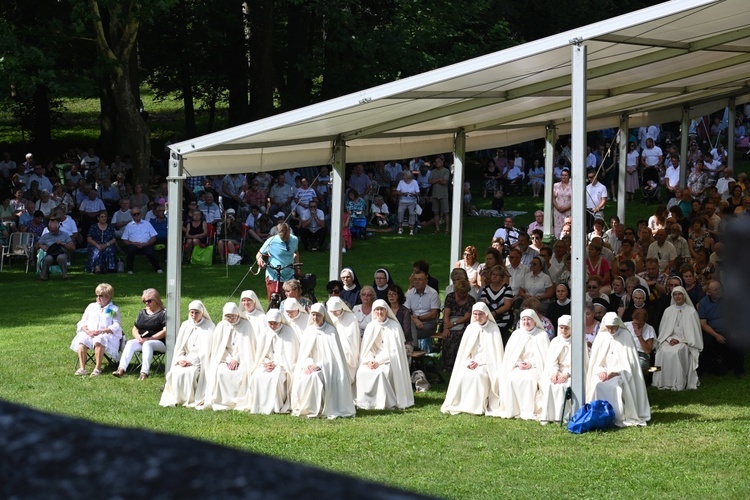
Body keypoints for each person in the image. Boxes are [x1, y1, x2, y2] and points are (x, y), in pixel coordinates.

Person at [291, 303, 356, 418]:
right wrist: (309, 364)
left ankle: (316, 409)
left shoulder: (331, 331)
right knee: (303, 376)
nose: (315, 318)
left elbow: (334, 357)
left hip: (328, 367)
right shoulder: (309, 331)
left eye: (318, 315)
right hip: (310, 366)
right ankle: (307, 408)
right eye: (313, 315)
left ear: (323, 316)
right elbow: (304, 354)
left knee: (315, 377)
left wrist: (319, 365)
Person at [586, 312, 651, 427]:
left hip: (621, 373)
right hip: (603, 372)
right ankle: (598, 414)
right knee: (597, 384)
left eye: (613, 327)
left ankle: (617, 415)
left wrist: (617, 372)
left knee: (615, 386)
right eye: (608, 327)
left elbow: (631, 361)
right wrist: (601, 370)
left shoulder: (626, 336)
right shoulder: (601, 336)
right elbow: (596, 360)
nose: (611, 330)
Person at [441, 303, 505, 416]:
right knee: (464, 373)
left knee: (479, 375)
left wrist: (479, 362)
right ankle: (464, 404)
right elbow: (465, 351)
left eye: (480, 314)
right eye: (475, 314)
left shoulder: (494, 329)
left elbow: (494, 354)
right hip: (471, 361)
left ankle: (478, 405)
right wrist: (470, 361)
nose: (477, 317)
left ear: (486, 314)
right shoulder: (471, 328)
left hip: (487, 364)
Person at [355, 300, 414, 410]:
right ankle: (365, 402)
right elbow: (368, 348)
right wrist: (369, 360)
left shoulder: (395, 326)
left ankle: (384, 402)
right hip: (373, 358)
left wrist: (379, 361)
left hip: (389, 359)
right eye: (377, 309)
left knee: (382, 373)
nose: (379, 312)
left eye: (382, 309)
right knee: (362, 372)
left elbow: (394, 351)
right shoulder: (371, 326)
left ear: (387, 311)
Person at [159, 300, 215, 408]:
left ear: (202, 312)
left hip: (199, 361)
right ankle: (177, 398)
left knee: (190, 373)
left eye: (196, 313)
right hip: (185, 359)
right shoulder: (185, 325)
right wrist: (180, 359)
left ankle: (190, 399)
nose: (194, 315)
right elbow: (180, 348)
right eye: (192, 312)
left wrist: (192, 361)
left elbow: (207, 350)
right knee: (175, 372)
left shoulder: (209, 326)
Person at [246, 309, 300, 414]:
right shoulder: (265, 332)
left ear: (280, 322)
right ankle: (260, 406)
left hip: (283, 366)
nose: (272, 326)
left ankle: (276, 405)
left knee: (276, 376)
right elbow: (261, 353)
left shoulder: (289, 332)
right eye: (270, 323)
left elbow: (291, 356)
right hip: (267, 364)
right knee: (257, 375)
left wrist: (276, 364)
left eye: (275, 323)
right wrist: (266, 362)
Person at [499, 309, 550, 420]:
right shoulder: (516, 334)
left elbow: (544, 358)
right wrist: (518, 363)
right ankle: (513, 409)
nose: (526, 322)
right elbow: (510, 356)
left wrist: (530, 364)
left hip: (535, 368)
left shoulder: (542, 335)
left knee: (529, 381)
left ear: (535, 320)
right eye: (524, 319)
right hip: (518, 367)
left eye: (529, 319)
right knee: (512, 379)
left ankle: (527, 410)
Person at [205, 303, 257, 410]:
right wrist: (229, 359)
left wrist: (236, 359)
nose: (230, 319)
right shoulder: (222, 325)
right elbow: (219, 347)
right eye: (228, 316)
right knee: (220, 371)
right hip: (225, 359)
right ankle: (223, 401)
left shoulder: (246, 325)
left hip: (242, 359)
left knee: (243, 373)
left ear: (238, 314)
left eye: (233, 316)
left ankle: (239, 401)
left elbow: (246, 346)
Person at [653, 286, 703, 391]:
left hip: (685, 342)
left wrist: (680, 341)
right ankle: (661, 381)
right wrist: (670, 339)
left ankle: (678, 383)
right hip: (669, 340)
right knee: (661, 351)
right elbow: (663, 331)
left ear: (684, 296)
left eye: (679, 294)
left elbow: (693, 334)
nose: (677, 296)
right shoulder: (668, 311)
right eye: (675, 294)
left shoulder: (691, 312)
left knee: (676, 352)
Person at [111, 289, 167, 380]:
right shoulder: (142, 312)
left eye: (149, 301)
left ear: (156, 300)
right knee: (130, 343)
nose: (147, 303)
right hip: (143, 340)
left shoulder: (164, 313)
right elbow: (135, 329)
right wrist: (138, 337)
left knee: (147, 344)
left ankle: (144, 373)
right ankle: (121, 369)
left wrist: (150, 338)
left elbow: (165, 331)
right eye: (144, 301)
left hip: (160, 342)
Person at [539, 315, 584, 424]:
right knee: (551, 384)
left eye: (567, 328)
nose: (564, 331)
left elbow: (579, 363)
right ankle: (550, 415)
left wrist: (567, 374)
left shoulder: (578, 341)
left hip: (572, 373)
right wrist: (554, 373)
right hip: (558, 372)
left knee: (563, 387)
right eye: (561, 328)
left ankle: (562, 416)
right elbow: (552, 361)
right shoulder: (555, 341)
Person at [70, 284, 123, 377]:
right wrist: (87, 331)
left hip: (106, 334)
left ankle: (97, 368)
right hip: (90, 332)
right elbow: (83, 321)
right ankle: (82, 368)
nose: (98, 298)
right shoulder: (92, 307)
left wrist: (101, 331)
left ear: (108, 297)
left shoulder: (111, 309)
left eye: (101, 296)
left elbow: (116, 325)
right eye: (97, 295)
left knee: (99, 340)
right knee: (82, 339)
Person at [256, 222, 300, 302]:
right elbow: (259, 253)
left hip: (289, 274)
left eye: (286, 237)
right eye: (282, 238)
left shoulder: (294, 239)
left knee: (290, 300)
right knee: (273, 299)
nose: (284, 239)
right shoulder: (271, 241)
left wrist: (297, 267)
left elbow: (296, 252)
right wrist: (259, 259)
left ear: (289, 231)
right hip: (273, 274)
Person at [441, 279, 476, 372]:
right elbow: (446, 314)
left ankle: (458, 363)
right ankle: (447, 364)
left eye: (464, 293)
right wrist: (446, 328)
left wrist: (452, 325)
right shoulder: (450, 297)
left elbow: (467, 317)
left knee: (458, 335)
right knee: (447, 336)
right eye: (459, 293)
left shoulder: (471, 300)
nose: (461, 295)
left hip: (463, 323)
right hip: (449, 321)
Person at [326, 297, 361, 384]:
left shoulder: (351, 318)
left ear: (342, 308)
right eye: (332, 311)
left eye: (336, 311)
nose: (334, 313)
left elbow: (352, 339)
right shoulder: (329, 316)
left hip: (347, 351)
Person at [405, 269, 440, 353]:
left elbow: (433, 314)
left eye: (420, 279)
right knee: (409, 327)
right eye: (415, 280)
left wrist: (418, 318)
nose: (417, 282)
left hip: (429, 324)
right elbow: (405, 311)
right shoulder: (410, 293)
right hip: (414, 323)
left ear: (426, 281)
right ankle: (413, 351)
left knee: (406, 332)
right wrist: (415, 320)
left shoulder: (433, 293)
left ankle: (413, 350)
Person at [121, 208, 163, 274]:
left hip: (146, 244)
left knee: (151, 252)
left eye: (138, 213)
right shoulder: (129, 226)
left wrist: (147, 243)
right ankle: (130, 269)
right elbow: (124, 239)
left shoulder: (147, 224)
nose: (136, 215)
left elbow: (154, 237)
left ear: (141, 214)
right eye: (134, 214)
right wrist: (133, 243)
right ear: (132, 216)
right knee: (130, 250)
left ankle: (158, 268)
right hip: (133, 245)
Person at [429, 154, 451, 234]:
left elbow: (445, 182)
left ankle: (447, 229)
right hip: (435, 194)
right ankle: (437, 229)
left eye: (438, 161)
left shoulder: (446, 171)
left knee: (446, 212)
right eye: (436, 162)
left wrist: (435, 180)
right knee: (435, 212)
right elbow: (430, 181)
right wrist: (439, 179)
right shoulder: (433, 171)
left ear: (442, 162)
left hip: (444, 194)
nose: (437, 163)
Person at [394, 170, 420, 235]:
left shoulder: (414, 182)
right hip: (402, 201)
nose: (403, 177)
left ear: (408, 176)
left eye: (404, 176)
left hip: (412, 201)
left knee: (412, 213)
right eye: (403, 176)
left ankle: (411, 228)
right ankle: (400, 227)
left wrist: (414, 194)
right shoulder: (401, 182)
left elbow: (418, 192)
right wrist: (402, 194)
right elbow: (397, 192)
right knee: (400, 212)